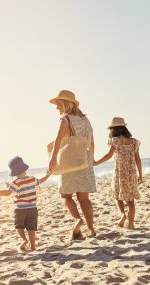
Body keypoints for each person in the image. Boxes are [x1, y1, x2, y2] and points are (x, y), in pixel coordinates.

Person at [48, 90, 96, 239]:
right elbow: (92, 142)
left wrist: (53, 157)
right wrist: (91, 159)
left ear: (64, 104)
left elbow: (58, 139)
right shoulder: (85, 120)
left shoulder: (65, 119)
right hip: (85, 158)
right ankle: (91, 229)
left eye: (58, 104)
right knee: (84, 198)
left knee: (65, 195)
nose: (57, 108)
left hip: (70, 159)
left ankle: (77, 219)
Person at [0, 156, 51, 251]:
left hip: (20, 209)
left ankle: (24, 240)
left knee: (19, 227)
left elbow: (7, 193)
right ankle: (33, 246)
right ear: (24, 169)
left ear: (14, 173)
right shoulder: (32, 179)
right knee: (31, 228)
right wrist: (48, 175)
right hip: (32, 208)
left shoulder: (15, 183)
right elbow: (41, 181)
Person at [94, 117, 142, 229]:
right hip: (131, 174)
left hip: (120, 174)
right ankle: (130, 224)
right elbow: (138, 159)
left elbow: (109, 155)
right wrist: (140, 175)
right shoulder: (134, 142)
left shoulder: (115, 140)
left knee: (116, 195)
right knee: (130, 201)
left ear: (114, 130)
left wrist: (96, 163)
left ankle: (123, 215)